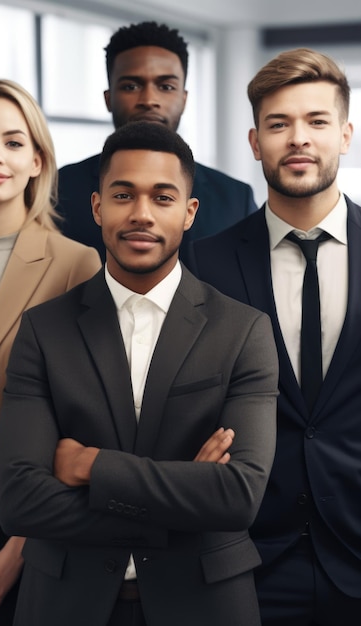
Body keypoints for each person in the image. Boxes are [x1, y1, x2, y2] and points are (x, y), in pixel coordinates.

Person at [0, 121, 278, 626]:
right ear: (98, 207)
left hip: (205, 606)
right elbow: (19, 502)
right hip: (64, 605)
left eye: (162, 198)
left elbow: (237, 497)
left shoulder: (244, 331)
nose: (141, 214)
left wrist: (90, 467)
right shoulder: (43, 330)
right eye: (123, 195)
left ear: (189, 213)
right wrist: (186, 497)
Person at [190, 47, 361, 625]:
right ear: (254, 141)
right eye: (278, 124)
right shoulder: (205, 263)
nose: (298, 139)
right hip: (251, 557)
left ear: (345, 134)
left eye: (316, 122)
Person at [0, 79, 101, 625]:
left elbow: (89, 421)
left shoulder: (77, 265)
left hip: (30, 519)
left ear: (37, 160)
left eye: (13, 143)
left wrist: (20, 549)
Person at [57, 20, 257, 265]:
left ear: (183, 99)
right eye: (131, 86)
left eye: (165, 86)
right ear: (109, 98)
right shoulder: (57, 192)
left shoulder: (235, 200)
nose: (149, 99)